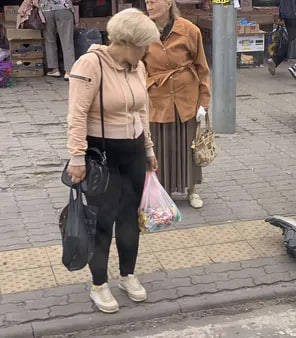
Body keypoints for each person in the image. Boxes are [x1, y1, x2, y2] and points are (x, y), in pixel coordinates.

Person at [66, 8, 159, 313]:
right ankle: (98, 284)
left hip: (131, 151)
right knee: (102, 221)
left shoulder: (137, 67)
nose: (147, 52)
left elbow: (141, 113)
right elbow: (77, 114)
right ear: (129, 43)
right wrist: (77, 157)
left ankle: (127, 275)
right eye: (144, 45)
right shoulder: (90, 64)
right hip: (101, 154)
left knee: (130, 218)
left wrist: (148, 149)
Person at [143, 0, 211, 209]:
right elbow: (137, 65)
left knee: (188, 144)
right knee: (160, 145)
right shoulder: (143, 31)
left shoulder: (189, 30)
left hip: (186, 96)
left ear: (168, 3)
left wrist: (204, 102)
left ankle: (192, 190)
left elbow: (202, 68)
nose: (149, 6)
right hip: (157, 96)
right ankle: (162, 192)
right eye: (146, 2)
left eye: (153, 1)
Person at [40, 0, 76, 80]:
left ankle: (54, 69)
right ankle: (68, 71)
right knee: (67, 40)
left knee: (50, 40)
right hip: (64, 7)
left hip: (47, 9)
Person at [265, 0, 296, 75]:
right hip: (295, 14)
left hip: (287, 14)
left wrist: (281, 15)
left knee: (292, 40)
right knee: (295, 41)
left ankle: (275, 60)